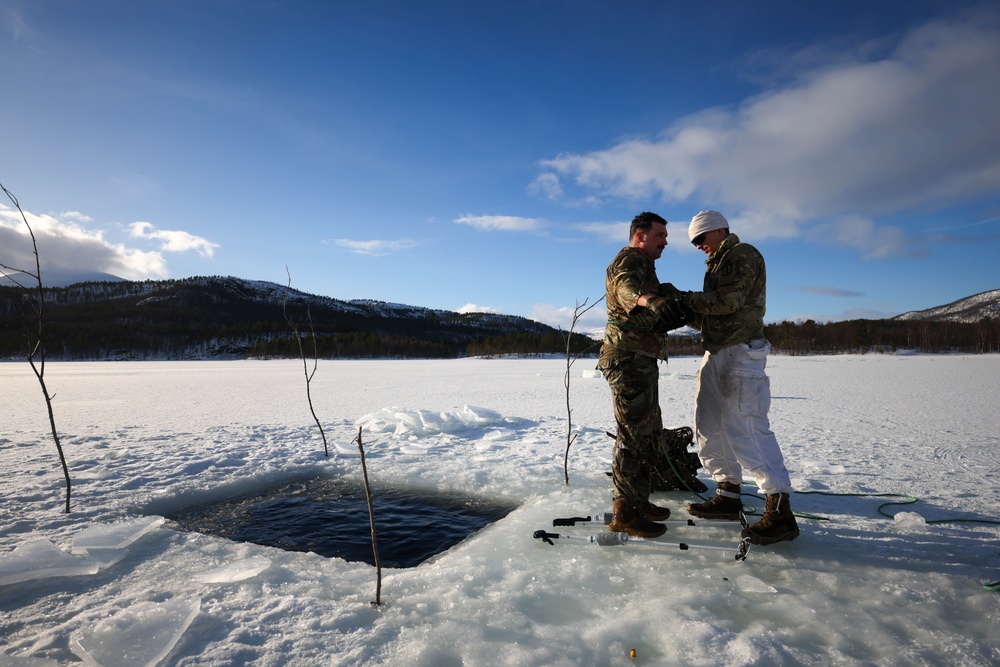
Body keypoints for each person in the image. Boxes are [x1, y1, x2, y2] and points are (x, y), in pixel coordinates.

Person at [664, 210, 799, 546]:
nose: (697, 246)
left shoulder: (742, 255)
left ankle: (779, 508)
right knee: (708, 423)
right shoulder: (717, 265)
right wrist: (684, 312)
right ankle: (727, 493)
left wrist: (682, 298)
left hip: (740, 352)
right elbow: (716, 313)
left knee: (746, 426)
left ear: (719, 230)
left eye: (700, 239)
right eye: (693, 242)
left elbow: (728, 302)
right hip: (718, 349)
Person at [599, 211, 692, 537]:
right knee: (632, 435)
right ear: (640, 235)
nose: (665, 242)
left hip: (640, 359)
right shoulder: (628, 261)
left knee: (647, 431)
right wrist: (650, 301)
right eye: (660, 236)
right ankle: (624, 513)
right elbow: (627, 289)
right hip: (627, 359)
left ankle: (638, 502)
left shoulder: (646, 266)